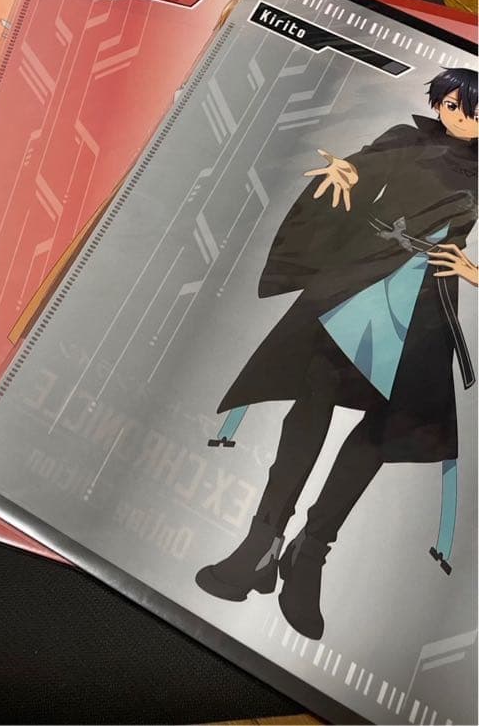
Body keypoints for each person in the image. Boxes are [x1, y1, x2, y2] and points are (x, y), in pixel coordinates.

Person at [195, 67, 478, 640]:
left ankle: (311, 552)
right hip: (361, 278)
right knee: (312, 399)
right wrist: (346, 172)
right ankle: (262, 541)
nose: (461, 117)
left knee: (382, 428)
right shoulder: (406, 138)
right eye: (451, 104)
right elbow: (363, 168)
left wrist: (474, 271)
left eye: (472, 109)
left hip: (424, 300)